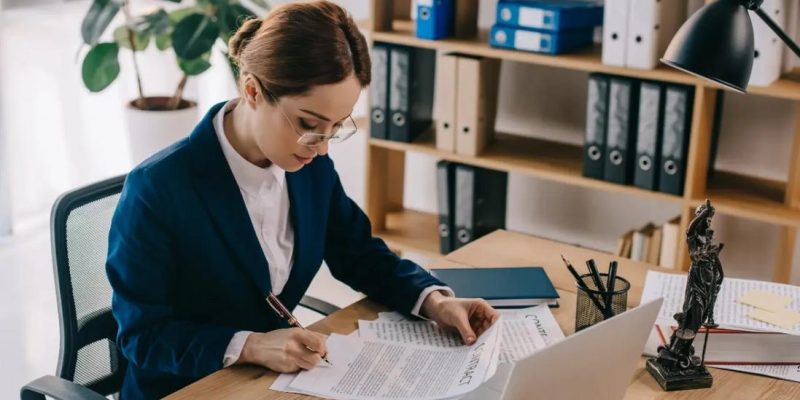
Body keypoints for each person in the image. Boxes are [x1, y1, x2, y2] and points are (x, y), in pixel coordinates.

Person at [106, 2, 499, 398]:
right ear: (252, 90)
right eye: (309, 125)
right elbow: (144, 337)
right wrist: (251, 344)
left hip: (271, 385)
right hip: (188, 389)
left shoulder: (308, 165)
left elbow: (359, 253)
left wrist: (433, 300)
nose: (323, 147)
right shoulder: (158, 190)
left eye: (335, 127)